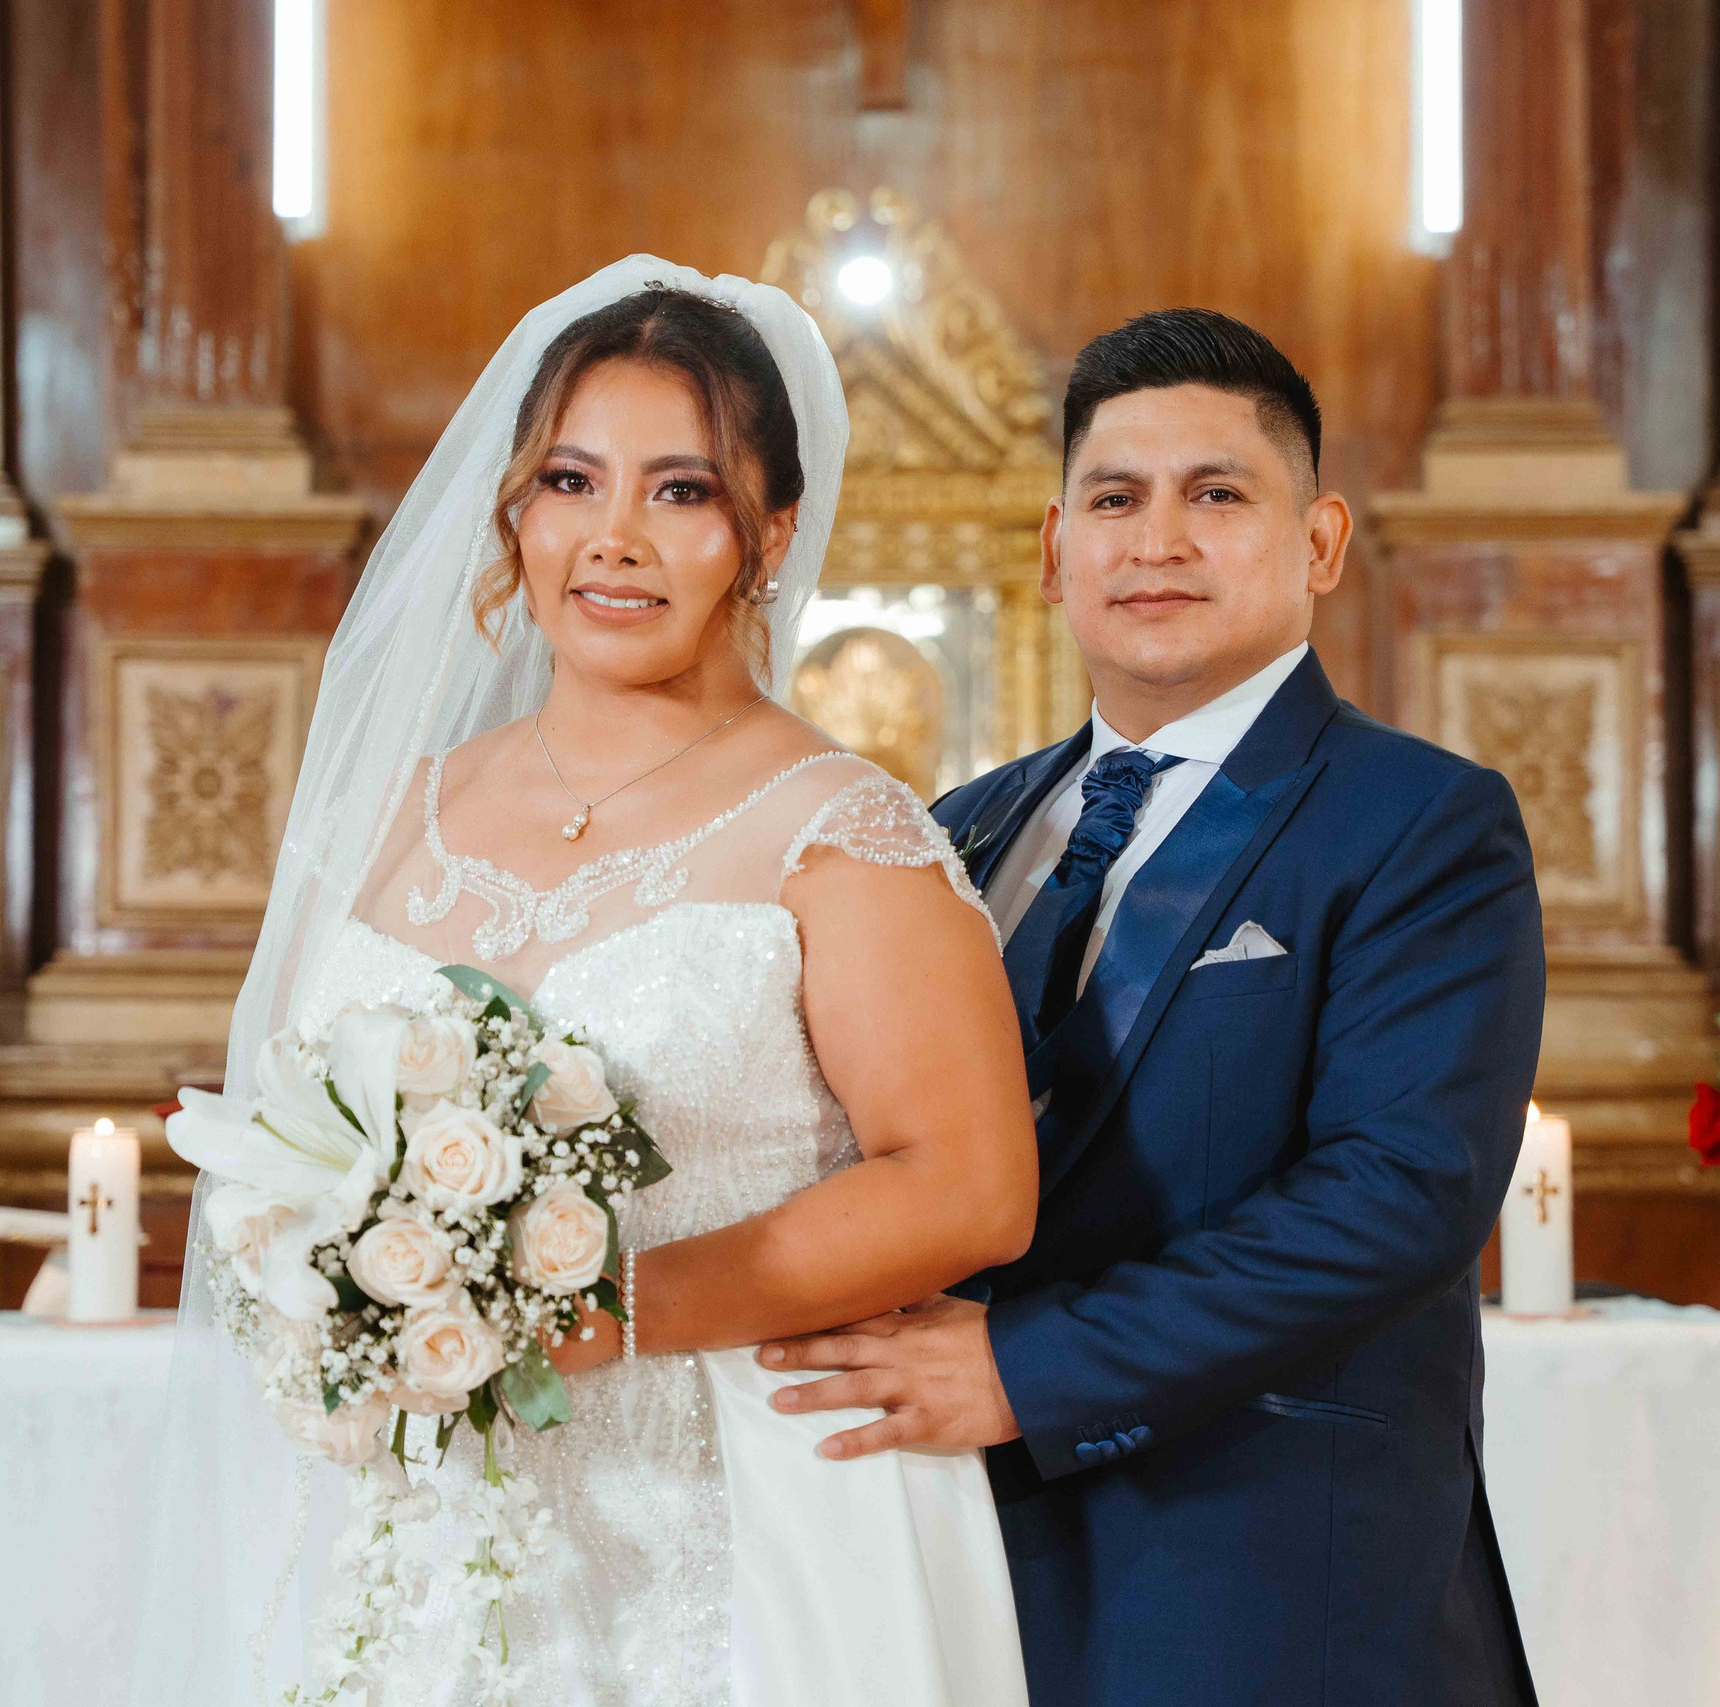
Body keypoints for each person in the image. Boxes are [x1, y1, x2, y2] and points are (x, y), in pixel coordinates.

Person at [130, 259, 1037, 1706]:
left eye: (681, 491)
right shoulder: (388, 811)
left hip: (733, 1517)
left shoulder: (842, 831)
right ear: (515, 512)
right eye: (571, 481)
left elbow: (972, 1187)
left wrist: (606, 1303)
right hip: (413, 1519)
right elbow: (283, 1139)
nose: (614, 539)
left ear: (770, 533)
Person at [762, 309, 1548, 1706]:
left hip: (1264, 1575)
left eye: (1218, 495)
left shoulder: (1421, 823)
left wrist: (1027, 1365)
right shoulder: (953, 829)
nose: (1158, 539)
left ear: (1319, 543)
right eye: (1115, 499)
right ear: (1057, 549)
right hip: (955, 1554)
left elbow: (1396, 1195)